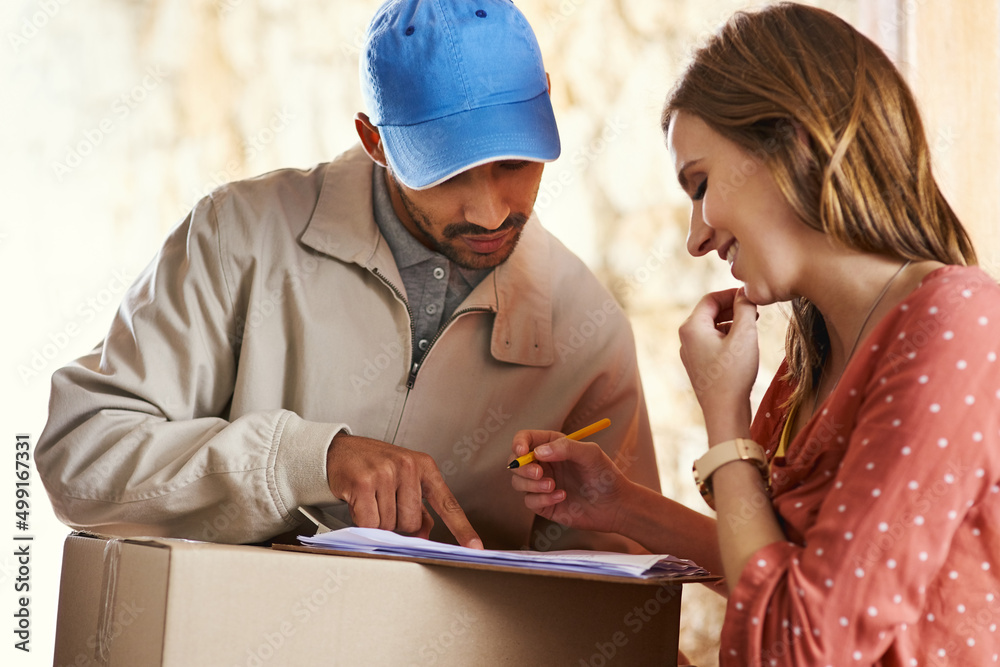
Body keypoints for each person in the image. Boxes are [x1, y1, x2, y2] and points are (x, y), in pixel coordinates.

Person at [36, 0, 659, 552]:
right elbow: (81, 460)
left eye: (514, 163)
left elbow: (615, 599)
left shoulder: (590, 331)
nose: (490, 211)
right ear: (374, 140)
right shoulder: (239, 236)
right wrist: (307, 459)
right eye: (447, 174)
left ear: (549, 103)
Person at [509, 3, 1000, 664]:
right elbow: (772, 578)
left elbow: (797, 643)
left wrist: (724, 419)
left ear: (794, 141)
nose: (695, 237)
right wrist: (622, 505)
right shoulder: (807, 366)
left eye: (701, 183)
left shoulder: (958, 322)